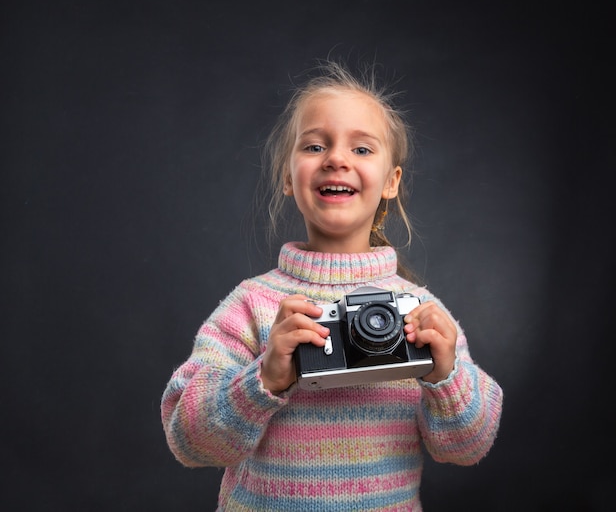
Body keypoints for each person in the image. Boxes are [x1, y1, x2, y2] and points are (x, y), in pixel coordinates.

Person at [161, 59, 503, 511]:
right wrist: (264, 377)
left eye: (362, 149)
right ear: (288, 176)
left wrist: (446, 377)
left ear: (391, 182)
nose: (336, 159)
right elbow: (188, 441)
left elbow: (467, 446)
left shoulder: (419, 312)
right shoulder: (255, 306)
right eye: (315, 146)